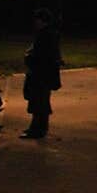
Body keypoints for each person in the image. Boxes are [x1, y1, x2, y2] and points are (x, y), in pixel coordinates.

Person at [21, 8, 61, 139]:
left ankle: (37, 129)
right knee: (40, 101)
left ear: (42, 20)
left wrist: (29, 58)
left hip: (41, 75)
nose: (35, 22)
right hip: (44, 74)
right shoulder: (49, 34)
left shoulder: (45, 35)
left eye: (37, 19)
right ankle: (38, 128)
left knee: (39, 102)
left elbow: (42, 56)